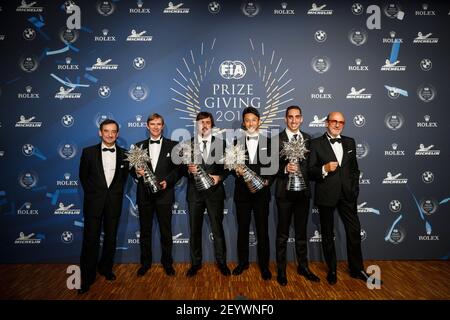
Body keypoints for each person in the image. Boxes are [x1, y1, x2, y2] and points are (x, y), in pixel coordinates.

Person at [308, 112, 371, 285]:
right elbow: (310, 171)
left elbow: (354, 170)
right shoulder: (315, 144)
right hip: (326, 195)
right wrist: (324, 168)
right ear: (326, 123)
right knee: (328, 235)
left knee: (354, 231)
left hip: (347, 196)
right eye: (334, 121)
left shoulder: (350, 142)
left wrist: (354, 189)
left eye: (341, 122)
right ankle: (332, 269)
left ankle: (357, 269)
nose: (337, 125)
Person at [78, 119, 129, 294]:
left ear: (117, 134)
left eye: (113, 131)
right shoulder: (88, 152)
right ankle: (87, 277)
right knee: (90, 241)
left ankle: (106, 269)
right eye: (106, 131)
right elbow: (83, 178)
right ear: (100, 133)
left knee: (110, 239)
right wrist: (95, 195)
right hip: (93, 204)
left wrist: (113, 194)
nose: (109, 134)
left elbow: (123, 179)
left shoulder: (124, 154)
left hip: (114, 204)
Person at [274, 106, 320, 286]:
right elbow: (270, 169)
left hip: (303, 194)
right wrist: (285, 168)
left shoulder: (309, 139)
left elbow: (312, 166)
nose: (293, 120)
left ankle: (303, 266)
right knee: (282, 234)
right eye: (290, 117)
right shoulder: (276, 140)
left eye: (297, 117)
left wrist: (304, 169)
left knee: (301, 233)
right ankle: (281, 270)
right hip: (284, 194)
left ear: (301, 119)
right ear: (285, 119)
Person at [131, 114, 180, 277]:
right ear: (147, 126)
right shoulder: (138, 147)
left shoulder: (173, 146)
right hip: (144, 196)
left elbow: (179, 170)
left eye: (158, 124)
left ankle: (167, 263)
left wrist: (168, 181)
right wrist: (136, 173)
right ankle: (145, 263)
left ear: (163, 126)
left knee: (166, 232)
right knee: (145, 232)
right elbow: (131, 170)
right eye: (152, 124)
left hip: (164, 195)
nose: (155, 127)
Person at [184, 112, 231, 277]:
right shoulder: (187, 144)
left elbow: (228, 168)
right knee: (194, 230)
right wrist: (188, 170)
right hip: (194, 194)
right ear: (196, 124)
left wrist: (219, 177)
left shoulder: (222, 144)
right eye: (201, 122)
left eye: (208, 122)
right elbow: (179, 169)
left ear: (212, 125)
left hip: (215, 193)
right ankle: (195, 264)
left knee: (217, 230)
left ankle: (222, 262)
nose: (204, 125)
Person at [232, 107, 275, 281]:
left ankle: (264, 266)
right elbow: (229, 165)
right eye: (247, 120)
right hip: (242, 194)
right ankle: (243, 263)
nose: (250, 123)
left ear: (259, 121)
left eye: (253, 120)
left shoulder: (269, 142)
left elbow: (274, 167)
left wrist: (267, 180)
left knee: (262, 230)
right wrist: (235, 170)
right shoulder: (236, 142)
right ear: (244, 122)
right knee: (242, 230)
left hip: (261, 194)